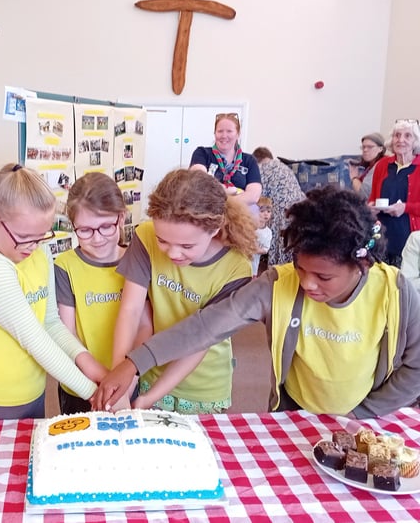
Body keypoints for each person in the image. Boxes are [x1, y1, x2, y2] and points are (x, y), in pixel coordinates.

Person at [92, 185, 420, 419]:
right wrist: (135, 362)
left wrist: (363, 413)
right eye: (301, 268)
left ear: (361, 265)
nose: (307, 283)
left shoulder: (396, 293)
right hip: (295, 418)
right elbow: (206, 327)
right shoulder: (276, 285)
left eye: (323, 277)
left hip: (367, 421)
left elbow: (416, 366)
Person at [0, 164, 98, 421]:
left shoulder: (38, 251)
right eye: (25, 237)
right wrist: (93, 393)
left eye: (42, 236)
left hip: (31, 395)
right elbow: (35, 339)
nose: (34, 246)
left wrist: (90, 364)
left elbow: (50, 323)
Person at [111, 168, 257, 414]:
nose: (173, 253)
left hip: (203, 387)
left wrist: (148, 398)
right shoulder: (145, 237)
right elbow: (131, 310)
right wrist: (120, 380)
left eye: (187, 245)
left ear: (215, 229)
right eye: (163, 241)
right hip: (149, 370)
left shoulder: (235, 268)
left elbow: (201, 340)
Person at [54, 172, 151, 414]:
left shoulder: (138, 261)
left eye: (106, 227)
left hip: (130, 380)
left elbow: (144, 327)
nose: (97, 239)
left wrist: (126, 382)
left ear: (121, 217)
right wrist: (101, 382)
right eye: (85, 230)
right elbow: (67, 332)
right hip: (81, 386)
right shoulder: (65, 266)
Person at [368, 119, 420, 268]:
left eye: (407, 136)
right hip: (381, 235)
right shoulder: (383, 165)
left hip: (407, 237)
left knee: (402, 285)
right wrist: (370, 208)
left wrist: (405, 207)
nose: (401, 140)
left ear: (415, 141)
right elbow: (373, 198)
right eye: (397, 135)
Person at [189, 113, 262, 209]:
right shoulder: (202, 153)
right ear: (214, 133)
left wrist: (221, 202)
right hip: (206, 214)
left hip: (238, 217)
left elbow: (253, 196)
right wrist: (232, 191)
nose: (224, 136)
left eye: (229, 131)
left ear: (238, 134)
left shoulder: (249, 161)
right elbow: (200, 182)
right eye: (220, 131)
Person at [252, 146, 305, 266]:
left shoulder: (262, 169)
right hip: (300, 209)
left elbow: (258, 198)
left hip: (282, 211)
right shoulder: (284, 167)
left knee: (278, 239)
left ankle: (277, 271)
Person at [348, 132, 386, 198]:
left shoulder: (380, 165)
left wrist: (354, 178)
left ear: (381, 149)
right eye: (363, 147)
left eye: (370, 147)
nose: (365, 150)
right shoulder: (369, 167)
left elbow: (364, 194)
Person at [253, 196, 273, 277]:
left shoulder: (268, 232)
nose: (266, 214)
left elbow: (265, 249)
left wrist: (256, 249)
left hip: (253, 264)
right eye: (262, 211)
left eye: (268, 211)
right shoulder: (248, 227)